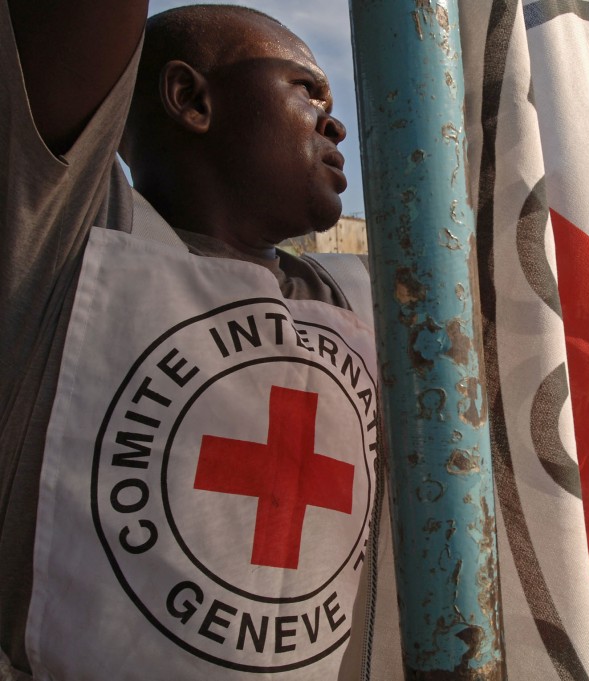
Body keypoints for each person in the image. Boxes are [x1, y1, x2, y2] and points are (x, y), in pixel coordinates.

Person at [1, 3, 377, 678]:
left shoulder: (393, 305)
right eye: (306, 89)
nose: (336, 118)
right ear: (190, 99)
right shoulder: (63, 249)